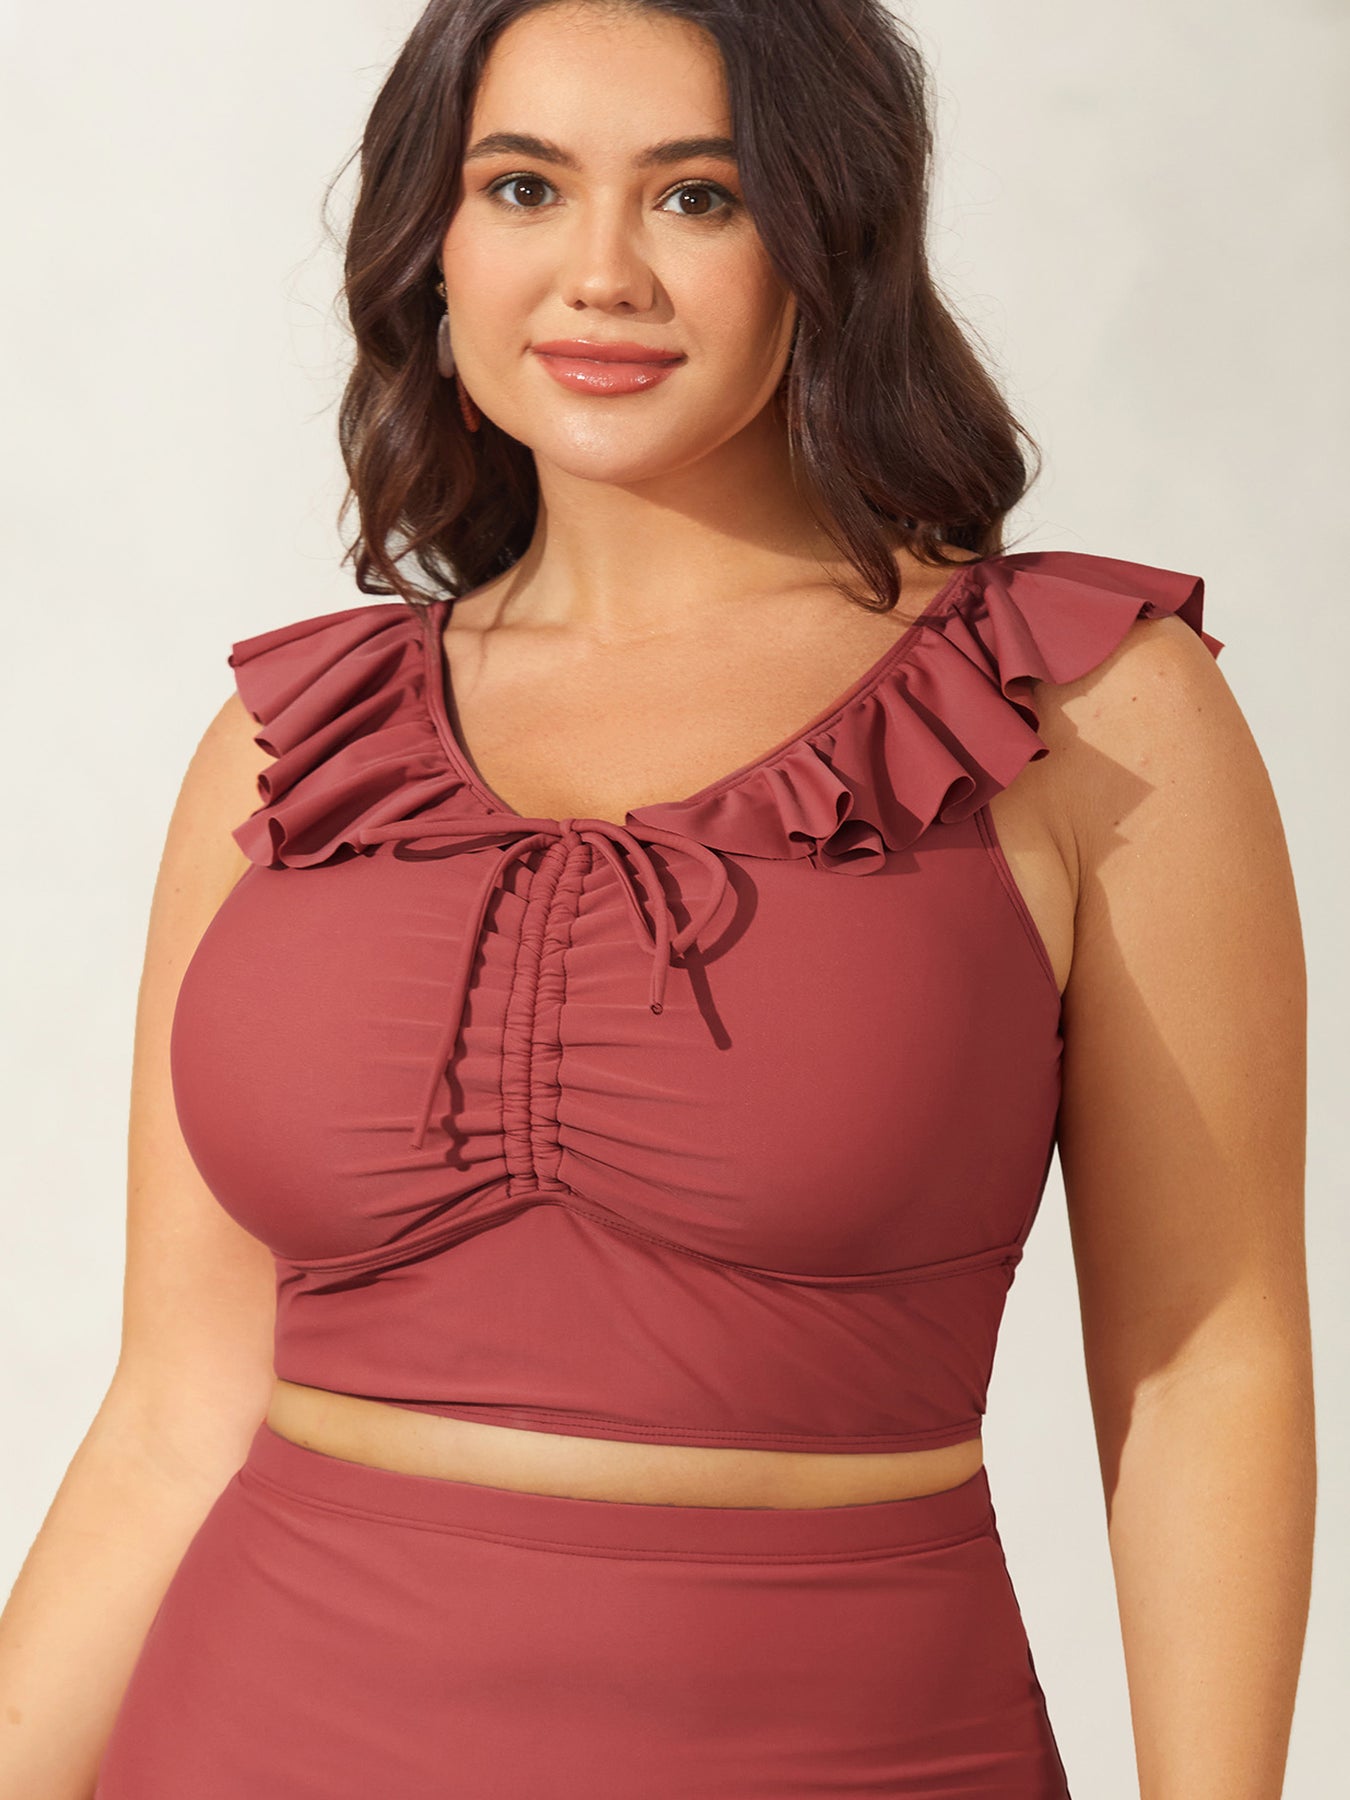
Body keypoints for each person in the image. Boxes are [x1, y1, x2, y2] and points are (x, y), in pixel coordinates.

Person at [0, 2, 1313, 1796]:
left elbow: (1203, 1359)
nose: (601, 274)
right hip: (248, 1734)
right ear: (432, 241)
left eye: (698, 197)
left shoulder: (1073, 709)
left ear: (828, 236)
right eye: (523, 186)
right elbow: (170, 1420)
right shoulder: (288, 747)